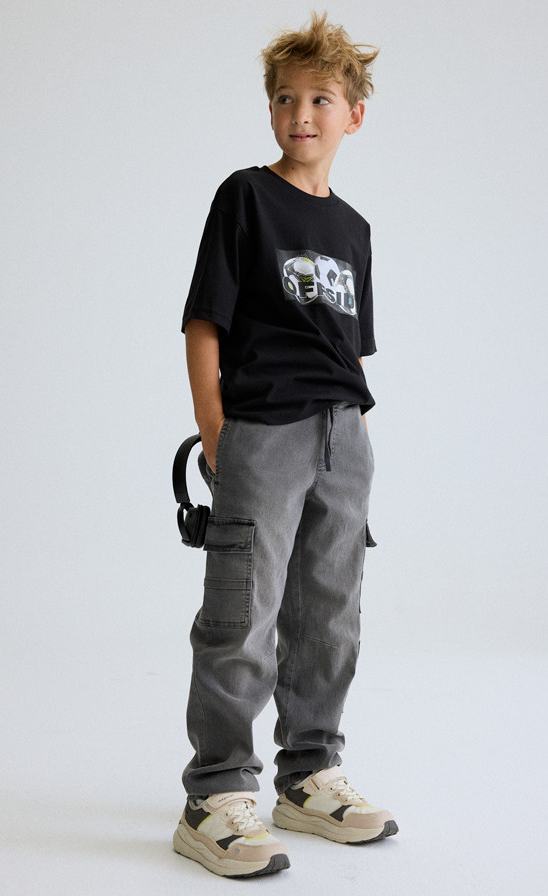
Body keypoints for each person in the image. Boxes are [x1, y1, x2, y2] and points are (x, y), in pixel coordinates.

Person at [172, 12, 398, 878]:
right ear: (270, 109)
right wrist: (215, 431)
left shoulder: (355, 230)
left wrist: (359, 446)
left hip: (345, 435)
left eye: (320, 99)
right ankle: (216, 793)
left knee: (330, 615)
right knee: (243, 612)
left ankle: (309, 776)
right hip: (262, 431)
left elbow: (350, 351)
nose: (300, 114)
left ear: (354, 115)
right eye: (284, 99)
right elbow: (204, 322)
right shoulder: (245, 197)